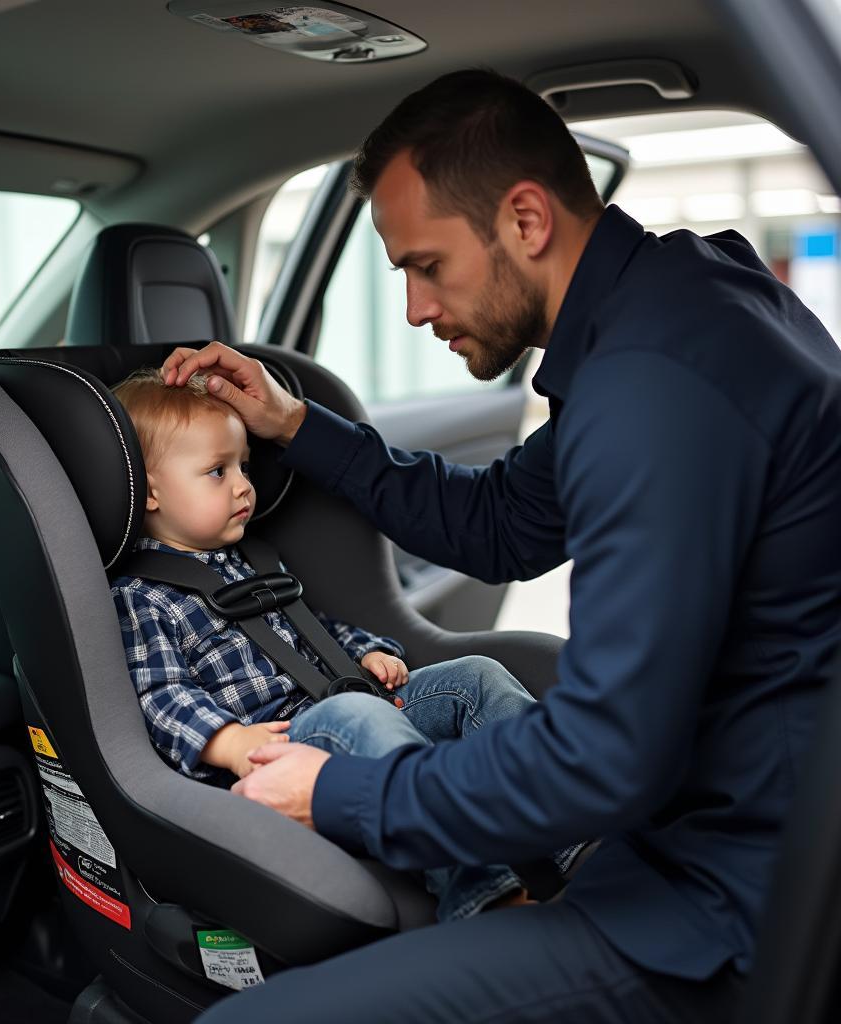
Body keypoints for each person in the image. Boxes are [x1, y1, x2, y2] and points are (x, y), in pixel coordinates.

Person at [160, 69, 841, 1023]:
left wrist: (344, 790)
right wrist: (294, 425)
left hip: (726, 911)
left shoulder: (649, 388)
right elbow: (499, 525)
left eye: (426, 265)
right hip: (731, 831)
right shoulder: (680, 309)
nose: (414, 308)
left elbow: (603, 759)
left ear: (526, 220)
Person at [109, 367, 582, 921]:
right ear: (152, 494)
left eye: (242, 465)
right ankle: (483, 893)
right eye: (217, 472)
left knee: (475, 675)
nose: (243, 485)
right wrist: (230, 742)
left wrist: (366, 652)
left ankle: (572, 835)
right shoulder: (142, 597)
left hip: (342, 708)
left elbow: (314, 629)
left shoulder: (254, 560)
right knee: (360, 715)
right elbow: (159, 696)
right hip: (276, 750)